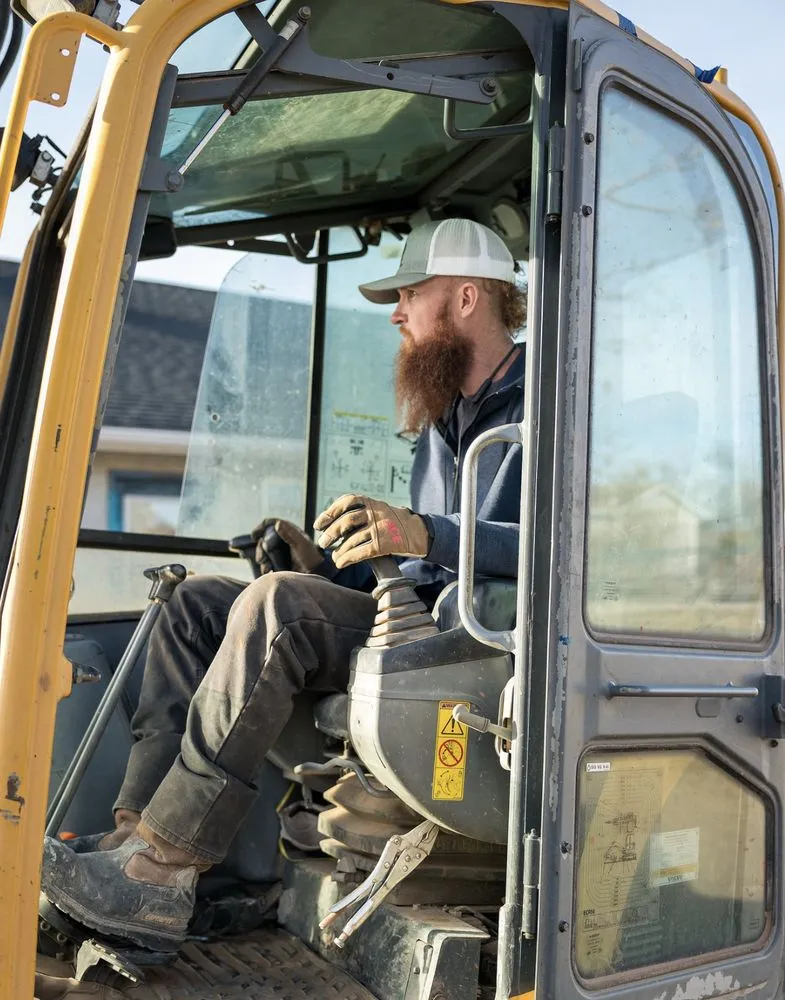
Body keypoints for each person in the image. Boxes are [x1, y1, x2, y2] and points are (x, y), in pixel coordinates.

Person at [41, 217, 528, 954]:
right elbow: (411, 555)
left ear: (465, 297)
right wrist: (319, 568)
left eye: (407, 293)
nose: (395, 312)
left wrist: (427, 532)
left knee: (276, 610)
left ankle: (163, 868)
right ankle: (134, 843)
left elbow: (568, 556)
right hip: (407, 619)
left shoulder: (549, 409)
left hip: (471, 644)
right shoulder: (443, 421)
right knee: (196, 603)